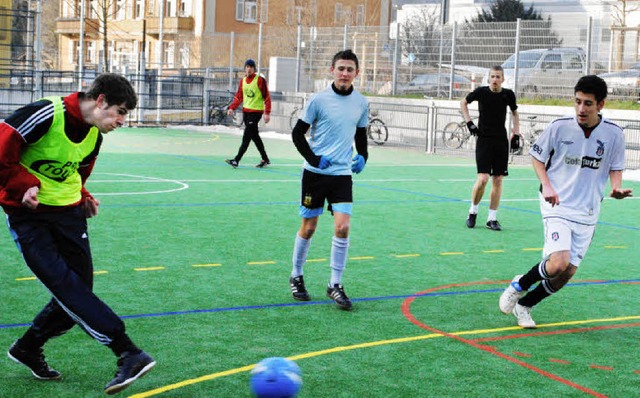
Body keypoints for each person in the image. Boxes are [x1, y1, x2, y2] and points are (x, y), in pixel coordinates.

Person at [0, 73, 155, 394]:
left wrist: (83, 196)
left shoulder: (95, 136)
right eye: (121, 111)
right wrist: (22, 186)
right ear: (100, 101)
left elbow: (77, 171)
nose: (122, 121)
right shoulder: (44, 114)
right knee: (66, 286)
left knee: (78, 291)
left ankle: (28, 347)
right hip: (28, 217)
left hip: (69, 215)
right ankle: (128, 351)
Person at [498, 75, 632, 328]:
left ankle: (525, 305)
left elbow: (615, 166)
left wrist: (616, 187)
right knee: (558, 262)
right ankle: (519, 285)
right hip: (556, 204)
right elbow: (537, 158)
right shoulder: (559, 127)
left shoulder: (614, 134)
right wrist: (547, 185)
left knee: (566, 273)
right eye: (578, 102)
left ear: (600, 105)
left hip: (588, 210)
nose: (581, 109)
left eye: (588, 104)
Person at [288, 49, 369, 311]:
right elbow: (298, 134)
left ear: (357, 73)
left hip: (342, 175)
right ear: (331, 70)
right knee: (309, 227)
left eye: (350, 69)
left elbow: (361, 137)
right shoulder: (318, 100)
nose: (345, 74)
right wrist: (313, 159)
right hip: (315, 174)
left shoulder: (361, 102)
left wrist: (363, 156)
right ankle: (296, 275)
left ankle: (335, 283)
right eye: (341, 68)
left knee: (343, 227)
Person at [461, 65, 520, 231]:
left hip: (501, 141)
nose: (495, 79)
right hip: (484, 140)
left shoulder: (508, 95)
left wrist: (516, 133)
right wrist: (469, 123)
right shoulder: (481, 92)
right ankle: (472, 211)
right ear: (489, 79)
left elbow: (515, 113)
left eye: (498, 77)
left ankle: (491, 218)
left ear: (502, 79)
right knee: (483, 179)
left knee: (498, 179)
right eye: (493, 76)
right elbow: (463, 103)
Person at [225, 58, 272, 168]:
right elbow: (238, 97)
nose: (249, 69)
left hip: (256, 113)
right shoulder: (243, 81)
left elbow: (267, 97)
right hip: (246, 113)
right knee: (255, 137)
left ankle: (236, 160)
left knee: (246, 137)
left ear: (254, 69)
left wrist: (267, 112)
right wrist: (232, 107)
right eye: (247, 67)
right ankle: (265, 158)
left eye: (251, 67)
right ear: (244, 69)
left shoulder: (260, 80)